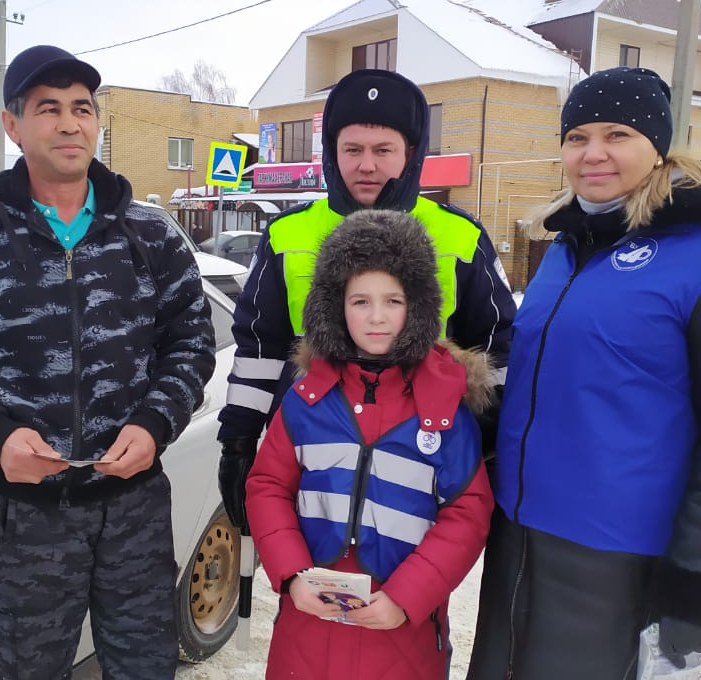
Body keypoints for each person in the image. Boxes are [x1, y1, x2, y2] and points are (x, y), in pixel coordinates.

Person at [0, 45, 215, 680]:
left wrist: (155, 423)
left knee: (145, 666)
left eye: (82, 108)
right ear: (12, 125)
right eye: (48, 109)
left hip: (134, 509)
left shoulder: (151, 236)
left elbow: (191, 344)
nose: (70, 123)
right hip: (27, 517)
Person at [464, 66, 701, 679]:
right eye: (577, 137)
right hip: (518, 538)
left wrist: (700, 589)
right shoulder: (566, 249)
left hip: (618, 558)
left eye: (618, 134)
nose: (594, 153)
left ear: (658, 146)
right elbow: (538, 386)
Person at [218, 68, 516, 537]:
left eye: (383, 150)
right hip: (311, 465)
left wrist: (487, 445)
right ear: (332, 152)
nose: (367, 165)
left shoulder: (461, 236)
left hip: (419, 474)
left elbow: (497, 349)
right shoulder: (286, 234)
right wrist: (238, 440)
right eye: (353, 149)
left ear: (410, 154)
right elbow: (260, 351)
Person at [246, 209, 495, 679]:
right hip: (308, 621)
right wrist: (292, 573)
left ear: (417, 306)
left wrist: (409, 595)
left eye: (393, 301)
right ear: (334, 306)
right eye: (360, 301)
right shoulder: (306, 399)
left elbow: (468, 511)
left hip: (402, 632)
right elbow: (267, 487)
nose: (377, 317)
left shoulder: (443, 406)